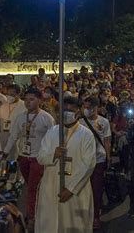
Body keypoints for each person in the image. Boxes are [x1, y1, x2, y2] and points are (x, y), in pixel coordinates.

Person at [35, 97, 96, 232]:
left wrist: (71, 189)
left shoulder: (86, 135)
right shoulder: (52, 131)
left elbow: (88, 165)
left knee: (73, 224)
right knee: (50, 223)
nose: (67, 113)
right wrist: (53, 155)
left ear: (79, 112)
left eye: (71, 110)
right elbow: (40, 157)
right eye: (65, 110)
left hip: (75, 189)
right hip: (51, 185)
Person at [3, 88, 55, 228]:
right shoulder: (20, 117)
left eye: (32, 99)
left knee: (32, 187)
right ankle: (37, 209)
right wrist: (5, 152)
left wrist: (51, 156)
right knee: (30, 186)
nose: (28, 102)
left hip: (39, 158)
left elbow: (53, 138)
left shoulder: (46, 118)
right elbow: (13, 135)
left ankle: (31, 216)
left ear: (39, 100)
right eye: (26, 99)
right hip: (23, 157)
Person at [80, 96, 111, 230]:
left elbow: (107, 140)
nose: (87, 110)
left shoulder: (103, 122)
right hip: (83, 160)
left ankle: (95, 216)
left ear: (96, 108)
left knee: (96, 189)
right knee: (83, 188)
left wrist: (108, 157)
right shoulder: (80, 122)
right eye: (85, 107)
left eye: (89, 108)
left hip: (98, 159)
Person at [0, 84, 26, 160]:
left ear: (18, 94)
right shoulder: (4, 105)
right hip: (3, 136)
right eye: (7, 94)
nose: (9, 96)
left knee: (13, 160)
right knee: (2, 160)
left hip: (17, 138)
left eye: (12, 94)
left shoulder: (24, 106)